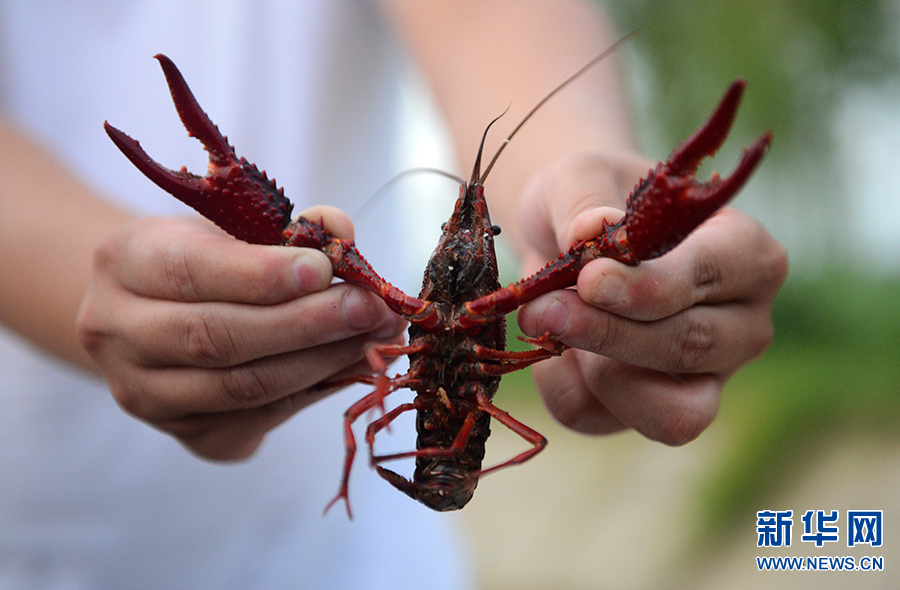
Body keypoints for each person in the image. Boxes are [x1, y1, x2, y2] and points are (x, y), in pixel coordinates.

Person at [0, 1, 788, 588]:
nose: (463, 233)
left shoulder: (462, 290)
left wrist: (586, 194)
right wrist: (123, 295)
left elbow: (490, 25)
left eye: (471, 230)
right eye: (460, 226)